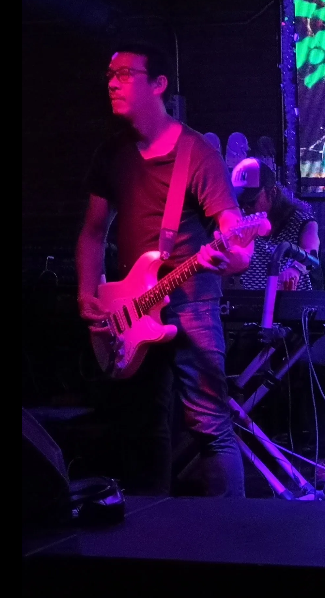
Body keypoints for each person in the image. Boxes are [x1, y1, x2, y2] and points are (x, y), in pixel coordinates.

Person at [76, 43, 251, 497]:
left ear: (158, 85)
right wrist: (87, 293)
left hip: (192, 305)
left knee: (211, 427)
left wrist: (231, 256)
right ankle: (148, 531)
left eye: (125, 74)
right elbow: (93, 233)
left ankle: (232, 533)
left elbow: (236, 239)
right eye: (110, 75)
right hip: (130, 309)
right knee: (142, 430)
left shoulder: (197, 154)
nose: (113, 83)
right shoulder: (112, 153)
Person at [231, 158, 321, 291]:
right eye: (240, 202)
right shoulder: (240, 223)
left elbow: (311, 252)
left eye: (251, 202)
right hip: (251, 300)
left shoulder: (301, 221)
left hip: (292, 300)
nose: (244, 208)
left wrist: (295, 270)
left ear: (272, 193)